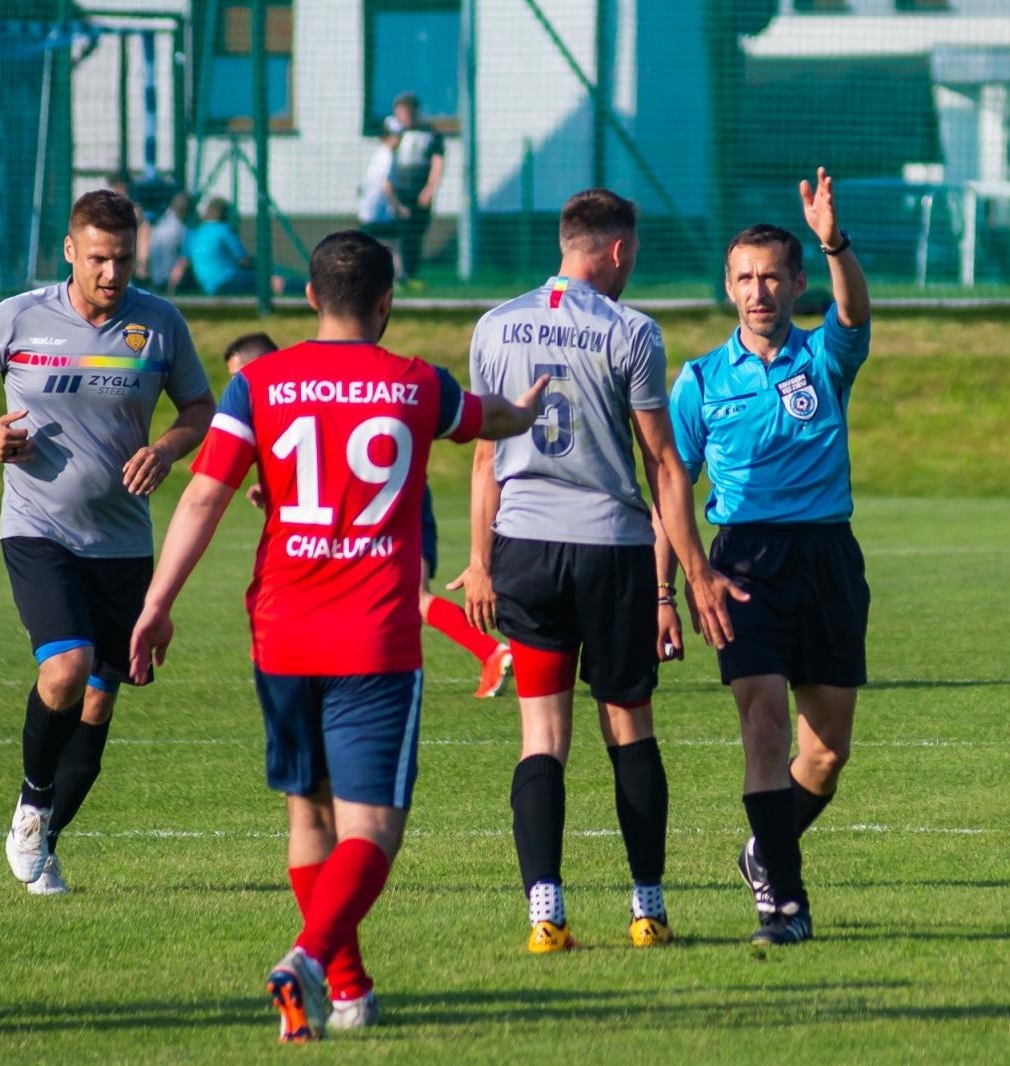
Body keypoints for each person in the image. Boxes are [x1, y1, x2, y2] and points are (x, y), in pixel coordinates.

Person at [128, 230, 545, 1043]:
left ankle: (346, 992)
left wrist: (156, 603)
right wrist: (523, 411)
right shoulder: (414, 384)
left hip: (281, 631)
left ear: (311, 298)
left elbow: (206, 497)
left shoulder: (260, 384)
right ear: (388, 304)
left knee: (308, 816)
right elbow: (484, 417)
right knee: (373, 828)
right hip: (373, 640)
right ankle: (310, 962)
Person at [456, 188, 741, 954]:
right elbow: (664, 467)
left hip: (523, 546)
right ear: (617, 251)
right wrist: (694, 573)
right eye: (633, 256)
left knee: (541, 738)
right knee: (628, 729)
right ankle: (647, 911)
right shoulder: (632, 331)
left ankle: (544, 917)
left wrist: (480, 561)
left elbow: (485, 454)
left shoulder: (493, 325)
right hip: (610, 551)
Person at [0, 189, 214, 896]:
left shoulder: (159, 323)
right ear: (70, 251)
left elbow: (200, 408)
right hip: (37, 528)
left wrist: (170, 447)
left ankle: (46, 841)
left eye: (122, 259)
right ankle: (31, 802)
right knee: (66, 667)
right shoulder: (20, 317)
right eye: (97, 259)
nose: (111, 274)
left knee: (97, 701)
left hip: (121, 541)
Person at [668, 167, 872, 948]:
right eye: (745, 278)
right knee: (761, 723)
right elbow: (672, 488)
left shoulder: (825, 359)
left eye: (772, 278)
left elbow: (853, 308)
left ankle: (763, 851)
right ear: (729, 285)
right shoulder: (699, 381)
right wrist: (672, 586)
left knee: (825, 753)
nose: (758, 291)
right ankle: (782, 904)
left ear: (794, 286)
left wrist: (833, 243)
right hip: (740, 562)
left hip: (826, 557)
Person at [225, 332, 515, 697]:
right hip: (376, 501)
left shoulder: (297, 387)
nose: (235, 384)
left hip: (394, 499)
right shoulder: (290, 392)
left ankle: (491, 651)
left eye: (238, 375)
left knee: (412, 597)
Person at [381, 92, 444, 287]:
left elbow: (437, 162)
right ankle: (401, 275)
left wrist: (430, 188)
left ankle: (412, 273)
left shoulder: (429, 134)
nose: (404, 118)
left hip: (419, 191)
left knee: (416, 233)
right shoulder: (396, 134)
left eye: (406, 113)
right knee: (400, 234)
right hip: (399, 192)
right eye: (399, 114)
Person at [187, 197, 285, 297]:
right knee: (270, 279)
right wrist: (266, 268)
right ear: (225, 213)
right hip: (227, 282)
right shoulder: (224, 230)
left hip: (206, 286)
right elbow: (244, 261)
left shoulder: (196, 233)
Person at [148, 192, 192, 293]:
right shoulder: (180, 230)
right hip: (170, 282)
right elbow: (182, 262)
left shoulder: (160, 225)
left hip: (156, 278)